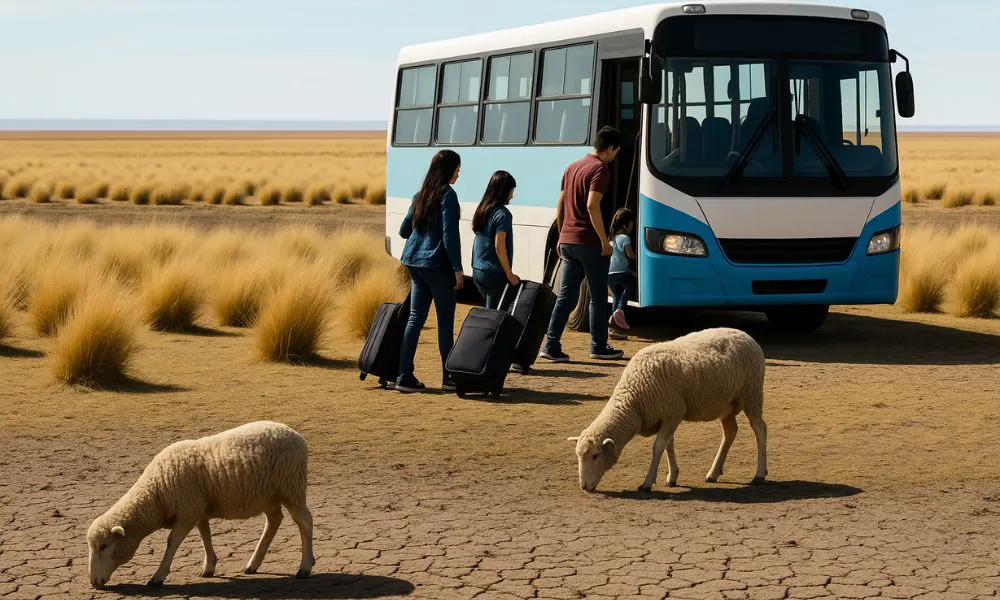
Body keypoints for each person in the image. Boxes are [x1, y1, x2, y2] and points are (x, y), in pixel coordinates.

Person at [541, 126, 625, 363]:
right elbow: (591, 205)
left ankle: (551, 344)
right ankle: (598, 346)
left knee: (565, 297)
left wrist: (561, 234)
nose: (615, 156)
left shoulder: (572, 167)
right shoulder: (600, 169)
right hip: (589, 242)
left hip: (568, 240)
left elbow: (560, 202)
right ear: (609, 148)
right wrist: (603, 240)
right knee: (598, 297)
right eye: (616, 152)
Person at [396, 149, 464, 393]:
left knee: (415, 319)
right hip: (437, 265)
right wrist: (458, 268)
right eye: (457, 168)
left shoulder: (419, 195)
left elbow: (404, 231)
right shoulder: (447, 195)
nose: (459, 172)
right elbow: (450, 235)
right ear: (447, 170)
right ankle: (449, 377)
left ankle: (404, 375)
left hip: (415, 263)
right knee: (445, 323)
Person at [471, 170, 520, 309]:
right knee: (494, 317)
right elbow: (499, 246)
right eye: (511, 191)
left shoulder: (483, 210)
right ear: (503, 191)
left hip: (478, 270)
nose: (512, 196)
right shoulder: (503, 214)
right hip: (494, 273)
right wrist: (509, 274)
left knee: (490, 311)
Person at [607, 207, 636, 331]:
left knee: (617, 295)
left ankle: (614, 325)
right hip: (621, 274)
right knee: (629, 286)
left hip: (609, 274)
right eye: (632, 224)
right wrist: (639, 257)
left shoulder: (611, 239)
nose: (633, 227)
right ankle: (619, 310)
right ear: (626, 224)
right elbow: (630, 256)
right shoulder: (625, 238)